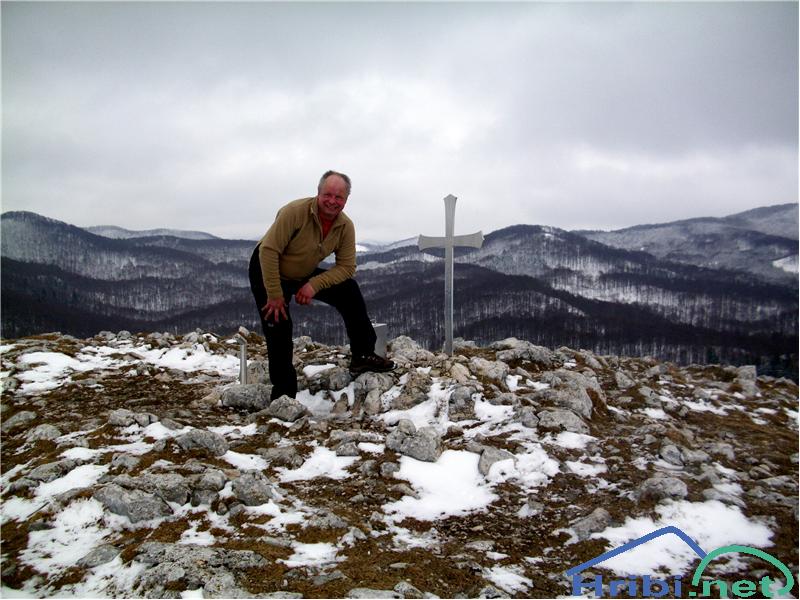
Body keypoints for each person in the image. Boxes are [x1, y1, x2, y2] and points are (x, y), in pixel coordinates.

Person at [249, 170, 394, 400]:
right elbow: (268, 250)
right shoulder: (295, 212)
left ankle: (362, 355)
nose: (332, 201)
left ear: (346, 199)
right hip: (268, 269)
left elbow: (346, 267)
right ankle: (284, 395)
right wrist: (274, 294)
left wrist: (313, 285)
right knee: (278, 325)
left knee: (349, 291)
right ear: (318, 193)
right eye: (328, 194)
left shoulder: (345, 226)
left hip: (302, 272)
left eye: (339, 197)